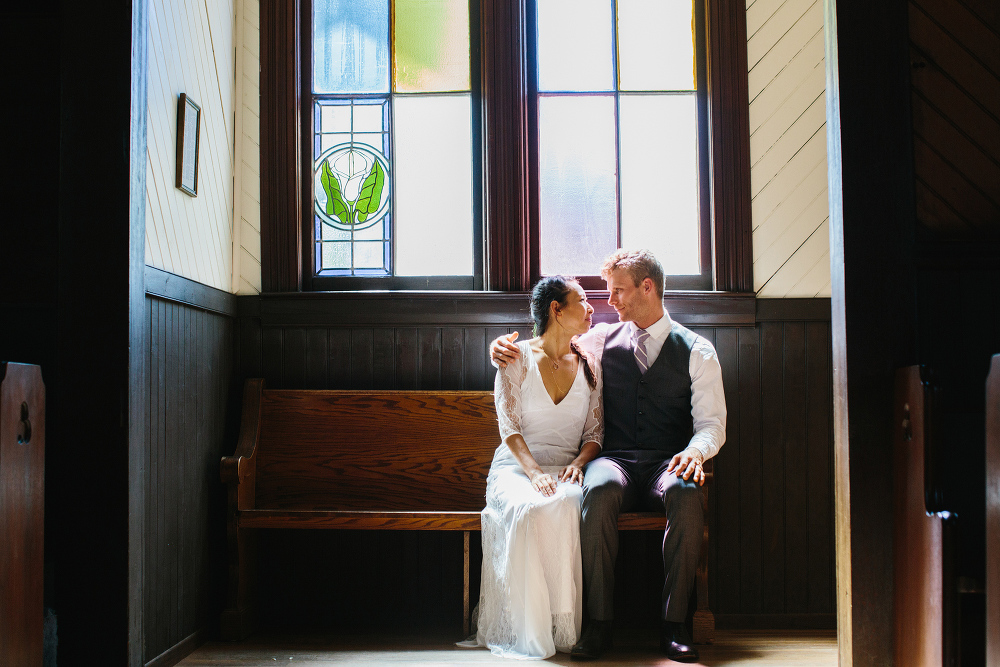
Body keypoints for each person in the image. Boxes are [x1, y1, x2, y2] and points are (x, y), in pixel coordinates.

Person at [490, 249, 726, 663]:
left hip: (667, 461)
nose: (609, 302)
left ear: (647, 288)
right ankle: (599, 624)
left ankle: (674, 624)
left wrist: (695, 453)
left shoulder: (698, 350)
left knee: (689, 494)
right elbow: (545, 344)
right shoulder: (596, 341)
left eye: (618, 291)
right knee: (595, 494)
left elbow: (712, 424)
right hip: (612, 460)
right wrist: (497, 348)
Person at [468, 276, 604, 660]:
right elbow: (508, 427)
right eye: (583, 300)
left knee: (564, 503)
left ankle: (561, 623)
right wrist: (534, 474)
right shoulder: (515, 357)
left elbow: (595, 432)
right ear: (556, 310)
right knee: (529, 509)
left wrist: (578, 464)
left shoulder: (590, 363)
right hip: (516, 467)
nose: (592, 307)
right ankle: (527, 626)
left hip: (566, 468)